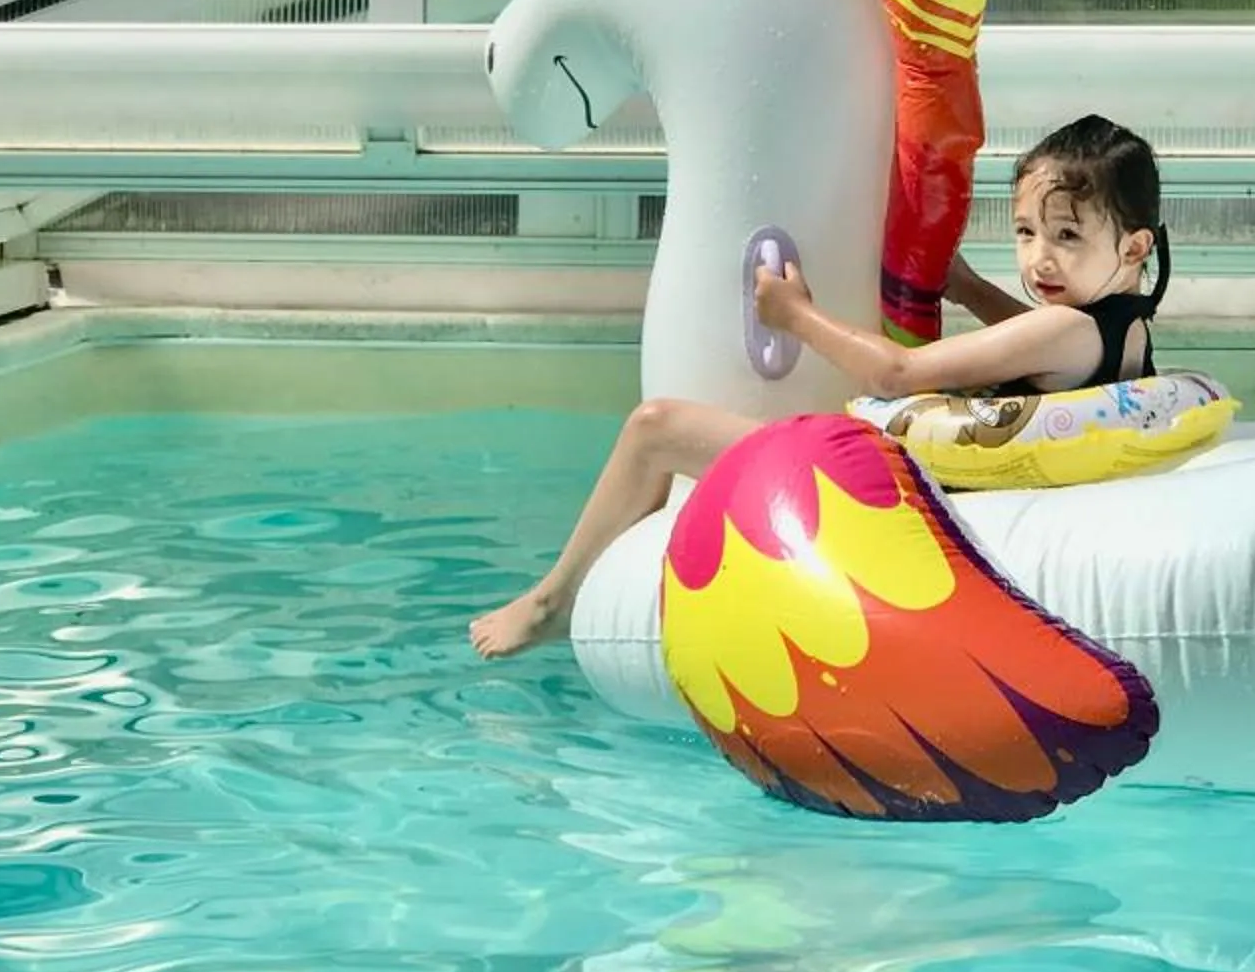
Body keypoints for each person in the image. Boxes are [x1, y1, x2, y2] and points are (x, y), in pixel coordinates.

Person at [468, 115, 1170, 659]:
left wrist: (794, 315)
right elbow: (1036, 339)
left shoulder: (1065, 333)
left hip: (876, 501)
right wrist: (969, 287)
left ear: (1134, 247)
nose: (1038, 257)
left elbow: (894, 374)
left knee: (655, 426)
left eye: (1066, 237)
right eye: (1023, 232)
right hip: (925, 495)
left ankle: (551, 601)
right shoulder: (1123, 328)